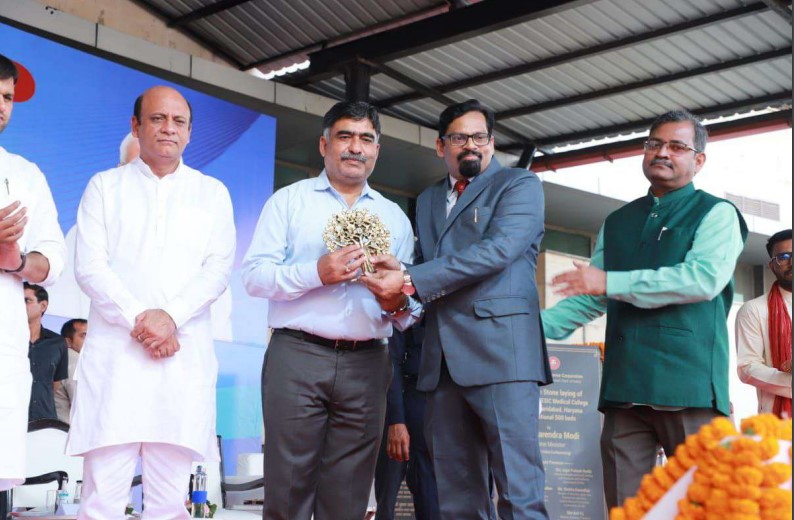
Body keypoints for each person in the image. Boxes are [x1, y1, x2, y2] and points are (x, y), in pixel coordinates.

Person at [541, 109, 748, 510]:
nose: (662, 153)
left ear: (699, 160)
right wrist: (526, 329)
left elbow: (701, 279)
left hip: (689, 387)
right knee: (626, 508)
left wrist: (610, 283)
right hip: (624, 390)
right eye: (654, 144)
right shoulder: (619, 220)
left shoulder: (717, 213)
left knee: (706, 507)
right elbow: (593, 296)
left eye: (676, 146)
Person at [361, 99, 551, 519]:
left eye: (480, 137)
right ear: (440, 146)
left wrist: (409, 277)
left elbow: (498, 251)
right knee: (456, 497)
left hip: (502, 357)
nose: (471, 145)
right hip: (441, 365)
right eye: (460, 137)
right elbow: (426, 267)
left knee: (518, 491)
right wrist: (398, 281)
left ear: (492, 142)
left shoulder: (519, 185)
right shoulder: (429, 199)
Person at [241, 100, 420, 520]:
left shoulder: (394, 218)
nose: (355, 147)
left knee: (349, 496)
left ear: (377, 150)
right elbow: (254, 277)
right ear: (324, 145)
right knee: (287, 489)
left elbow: (409, 312)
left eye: (366, 139)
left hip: (368, 364)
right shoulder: (289, 202)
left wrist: (395, 301)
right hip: (297, 356)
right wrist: (316, 272)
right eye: (345, 136)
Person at [66, 85, 236, 519]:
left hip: (181, 362)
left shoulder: (212, 193)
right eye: (158, 118)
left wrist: (171, 318)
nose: (168, 129)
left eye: (179, 121)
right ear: (136, 126)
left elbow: (217, 270)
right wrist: (143, 321)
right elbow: (90, 267)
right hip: (117, 362)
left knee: (169, 504)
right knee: (102, 502)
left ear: (190, 132)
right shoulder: (105, 187)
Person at [0, 53, 66, 492]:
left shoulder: (24, 173)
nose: (1, 106)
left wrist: (16, 261)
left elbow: (53, 258)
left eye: (7, 97)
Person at [374, 324, 440, 520]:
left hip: (437, 401)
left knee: (430, 492)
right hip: (399, 400)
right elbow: (391, 359)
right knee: (387, 496)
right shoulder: (405, 307)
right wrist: (396, 419)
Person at [736, 229, 792, 418]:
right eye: (784, 257)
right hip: (779, 422)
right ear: (772, 265)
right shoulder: (754, 310)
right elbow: (747, 368)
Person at [24, 282, 68, 421]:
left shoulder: (57, 343)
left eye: (27, 300)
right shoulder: (6, 340)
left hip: (44, 418)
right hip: (10, 417)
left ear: (43, 306)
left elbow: (55, 383)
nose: (20, 305)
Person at [54, 318, 87, 424]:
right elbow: (83, 405)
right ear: (67, 341)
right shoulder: (75, 361)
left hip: (56, 426)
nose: (90, 340)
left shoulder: (59, 357)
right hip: (67, 428)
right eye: (84, 335)